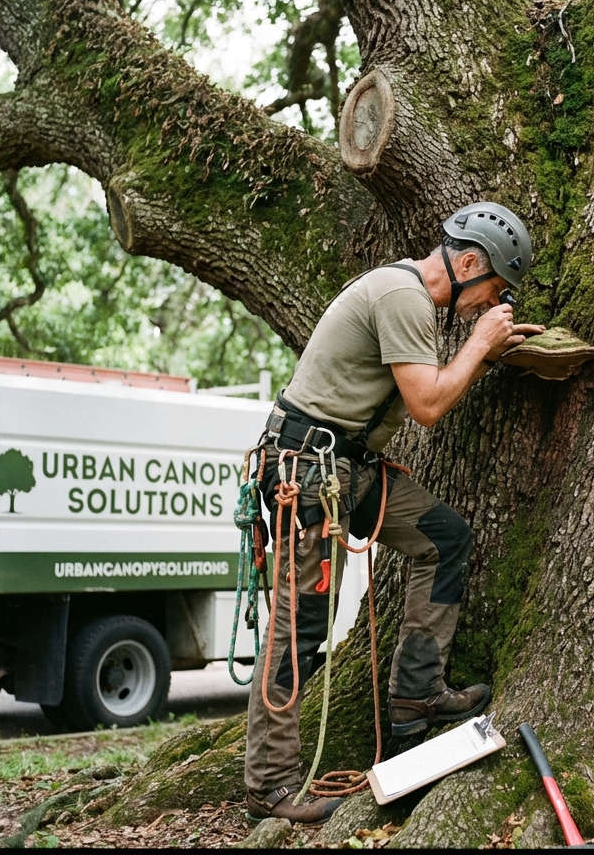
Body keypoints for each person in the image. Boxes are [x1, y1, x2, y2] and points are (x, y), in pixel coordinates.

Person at [244, 201, 544, 824]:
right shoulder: (403, 296)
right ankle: (270, 785)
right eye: (493, 289)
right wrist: (483, 345)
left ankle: (415, 695)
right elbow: (429, 404)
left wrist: (487, 347)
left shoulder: (411, 297)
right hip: (309, 470)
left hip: (345, 466)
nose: (489, 304)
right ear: (466, 263)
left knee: (444, 537)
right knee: (298, 626)